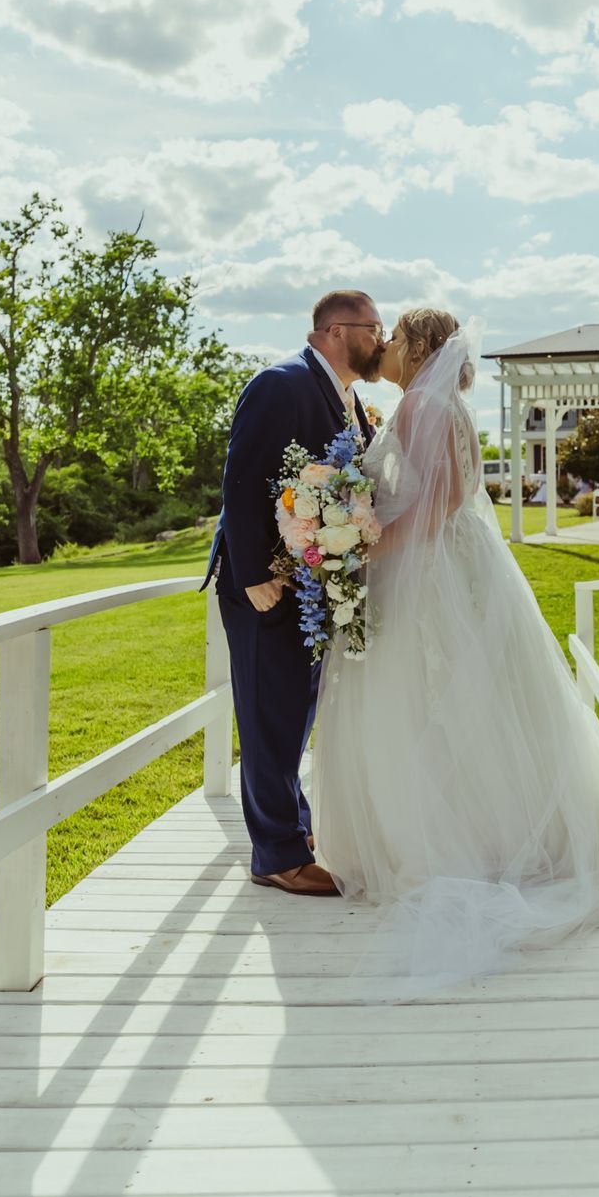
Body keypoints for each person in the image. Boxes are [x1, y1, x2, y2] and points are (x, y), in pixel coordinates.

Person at [312, 308, 599, 985]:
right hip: (458, 565)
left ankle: (447, 840)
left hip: (427, 572)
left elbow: (436, 501)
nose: (387, 344)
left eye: (398, 335)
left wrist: (364, 542)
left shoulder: (418, 404)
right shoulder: (447, 406)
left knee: (420, 699)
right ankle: (505, 828)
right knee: (475, 699)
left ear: (419, 347)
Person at [204, 290, 380, 897]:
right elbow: (243, 475)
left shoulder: (349, 397)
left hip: (308, 584)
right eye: (372, 327)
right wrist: (253, 573)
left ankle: (293, 830)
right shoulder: (281, 384)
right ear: (335, 330)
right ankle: (275, 856)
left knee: (294, 713)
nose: (380, 339)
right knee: (267, 713)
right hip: (265, 584)